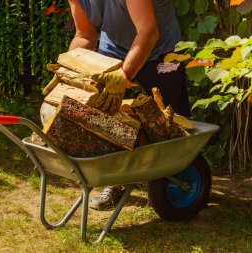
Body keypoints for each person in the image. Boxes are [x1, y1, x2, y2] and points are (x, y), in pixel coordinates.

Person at [67, 0, 191, 210]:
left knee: (172, 124)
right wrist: (70, 70)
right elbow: (84, 35)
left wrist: (124, 75)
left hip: (162, 52)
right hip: (114, 48)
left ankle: (181, 176)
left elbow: (149, 32)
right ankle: (115, 184)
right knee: (107, 116)